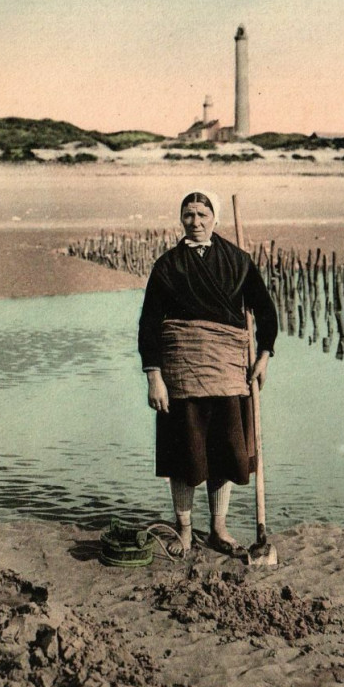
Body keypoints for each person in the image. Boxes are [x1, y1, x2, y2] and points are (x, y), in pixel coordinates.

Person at [138, 190, 277, 556]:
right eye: (188, 215)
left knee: (225, 453)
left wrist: (263, 355)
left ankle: (218, 528)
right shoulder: (167, 265)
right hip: (181, 372)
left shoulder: (238, 260)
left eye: (202, 214)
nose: (195, 222)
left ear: (215, 218)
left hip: (229, 372)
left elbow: (265, 311)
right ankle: (184, 530)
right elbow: (149, 324)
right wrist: (154, 375)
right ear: (180, 219)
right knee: (184, 455)